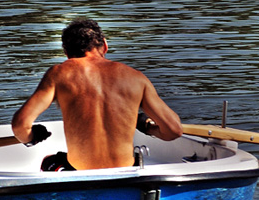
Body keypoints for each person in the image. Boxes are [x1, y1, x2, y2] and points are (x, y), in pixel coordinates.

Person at [11, 18, 182, 171]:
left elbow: (20, 125)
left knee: (50, 162)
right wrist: (146, 127)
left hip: (80, 172)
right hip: (125, 171)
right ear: (105, 45)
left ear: (67, 54)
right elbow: (173, 130)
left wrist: (32, 138)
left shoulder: (60, 73)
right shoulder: (136, 77)